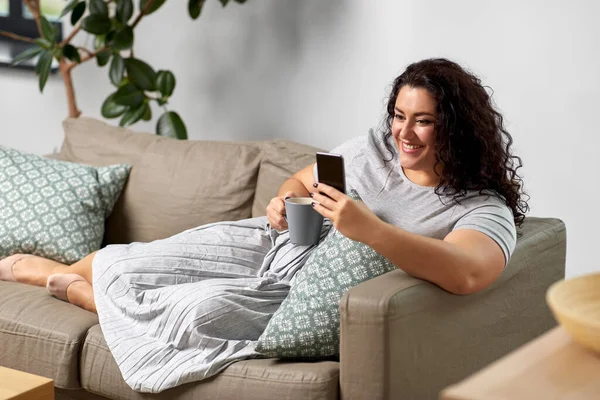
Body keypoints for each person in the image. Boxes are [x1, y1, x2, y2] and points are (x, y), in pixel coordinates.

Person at [0, 58, 528, 392]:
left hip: (305, 288)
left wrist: (368, 229)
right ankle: (67, 273)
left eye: (423, 120)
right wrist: (282, 202)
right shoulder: (374, 149)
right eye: (398, 114)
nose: (403, 133)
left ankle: (88, 298)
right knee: (139, 257)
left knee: (196, 311)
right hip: (270, 242)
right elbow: (300, 181)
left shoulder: (477, 207)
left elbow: (466, 274)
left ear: (454, 127)